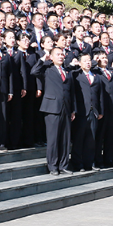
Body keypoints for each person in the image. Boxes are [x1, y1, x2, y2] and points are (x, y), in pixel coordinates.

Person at [31, 47, 77, 175]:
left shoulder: (67, 71)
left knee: (65, 139)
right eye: (57, 54)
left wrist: (73, 109)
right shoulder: (47, 69)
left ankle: (63, 165)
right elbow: (34, 71)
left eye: (62, 54)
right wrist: (42, 60)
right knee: (53, 139)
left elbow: (71, 92)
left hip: (66, 108)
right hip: (52, 108)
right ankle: (52, 166)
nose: (61, 56)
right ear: (51, 57)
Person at [70, 52, 104, 171]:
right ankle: (77, 164)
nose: (88, 63)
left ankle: (89, 163)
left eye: (89, 60)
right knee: (79, 139)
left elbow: (100, 95)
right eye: (85, 61)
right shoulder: (75, 75)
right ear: (79, 63)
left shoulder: (96, 76)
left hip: (93, 112)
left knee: (91, 139)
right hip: (81, 112)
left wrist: (100, 111)